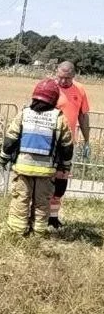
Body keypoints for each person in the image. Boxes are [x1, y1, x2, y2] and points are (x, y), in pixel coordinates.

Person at [0, 78, 74, 237]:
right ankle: (38, 233)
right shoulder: (59, 118)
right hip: (46, 172)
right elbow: (67, 146)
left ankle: (17, 232)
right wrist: (65, 165)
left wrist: (4, 158)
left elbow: (10, 139)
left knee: (21, 199)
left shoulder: (24, 114)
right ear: (54, 99)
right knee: (42, 203)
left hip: (23, 169)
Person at [49, 61, 91, 228]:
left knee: (61, 182)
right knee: (44, 180)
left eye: (67, 78)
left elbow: (83, 116)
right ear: (56, 73)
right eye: (60, 77)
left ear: (74, 75)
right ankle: (36, 214)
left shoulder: (80, 90)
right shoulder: (49, 87)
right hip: (49, 142)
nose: (63, 81)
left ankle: (53, 217)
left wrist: (87, 141)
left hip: (67, 145)